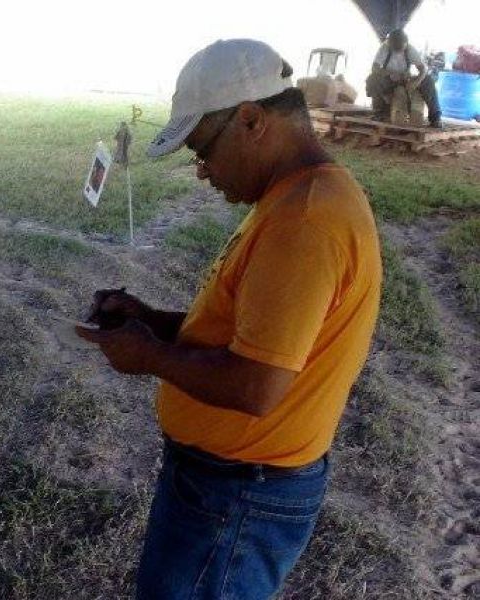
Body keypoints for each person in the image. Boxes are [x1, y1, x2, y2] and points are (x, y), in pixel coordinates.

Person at [76, 39, 382, 600]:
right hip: (230, 485)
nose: (201, 172)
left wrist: (148, 356)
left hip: (237, 493)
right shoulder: (296, 197)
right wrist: (153, 321)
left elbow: (256, 384)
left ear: (251, 120)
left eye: (203, 150)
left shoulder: (305, 221)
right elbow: (249, 338)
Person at [366, 29, 441, 127]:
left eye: (400, 48)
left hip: (405, 78)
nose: (398, 51)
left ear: (406, 43)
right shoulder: (384, 48)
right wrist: (390, 73)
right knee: (372, 79)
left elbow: (423, 70)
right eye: (395, 48)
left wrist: (416, 82)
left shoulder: (410, 50)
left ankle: (435, 117)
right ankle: (379, 112)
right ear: (389, 43)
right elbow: (375, 68)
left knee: (428, 80)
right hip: (389, 79)